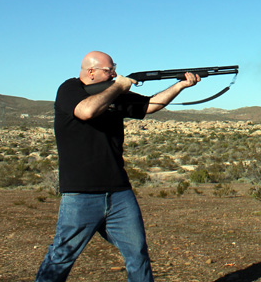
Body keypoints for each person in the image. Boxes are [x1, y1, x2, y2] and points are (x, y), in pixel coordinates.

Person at [35, 51, 200, 282]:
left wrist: (180, 85)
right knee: (62, 256)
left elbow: (149, 105)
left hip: (119, 191)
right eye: (109, 70)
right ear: (90, 72)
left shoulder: (114, 93)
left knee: (137, 254)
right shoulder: (69, 89)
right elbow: (86, 111)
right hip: (80, 193)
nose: (114, 74)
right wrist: (119, 86)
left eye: (114, 69)